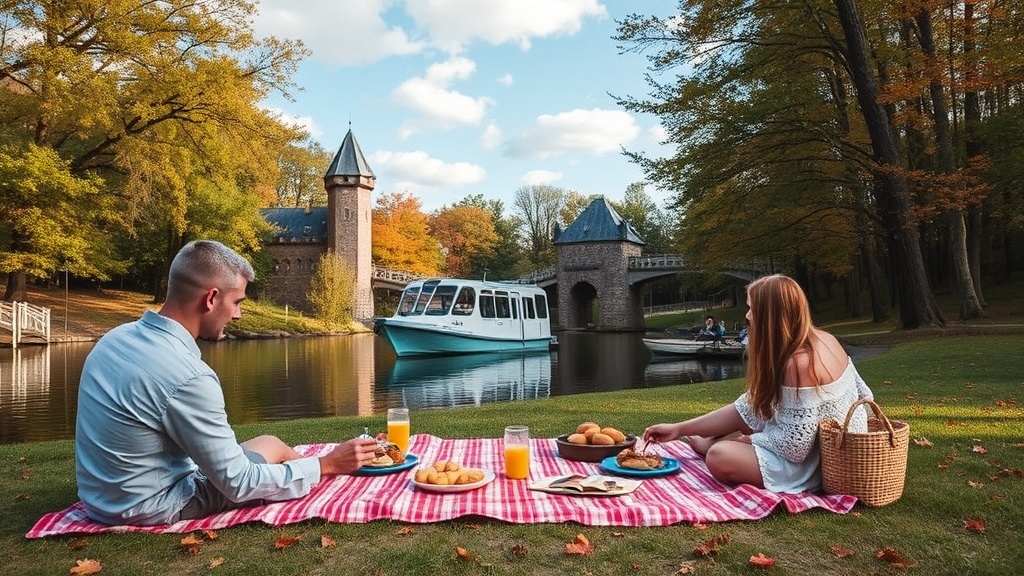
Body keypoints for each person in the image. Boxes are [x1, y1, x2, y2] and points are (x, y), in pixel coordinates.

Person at [75, 240, 379, 526]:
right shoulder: (189, 376)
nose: (238, 315)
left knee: (270, 444)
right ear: (211, 298)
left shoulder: (114, 340)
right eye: (237, 302)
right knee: (277, 466)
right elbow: (239, 484)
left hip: (101, 500)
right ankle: (328, 471)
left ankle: (316, 468)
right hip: (151, 506)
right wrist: (326, 464)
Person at [643, 274, 873, 493]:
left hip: (819, 462)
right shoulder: (826, 339)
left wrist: (746, 439)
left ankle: (718, 444)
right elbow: (747, 408)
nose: (748, 316)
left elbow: (796, 448)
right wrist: (679, 428)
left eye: (752, 308)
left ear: (770, 315)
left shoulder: (799, 364)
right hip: (810, 445)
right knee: (709, 435)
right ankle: (711, 441)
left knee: (718, 455)